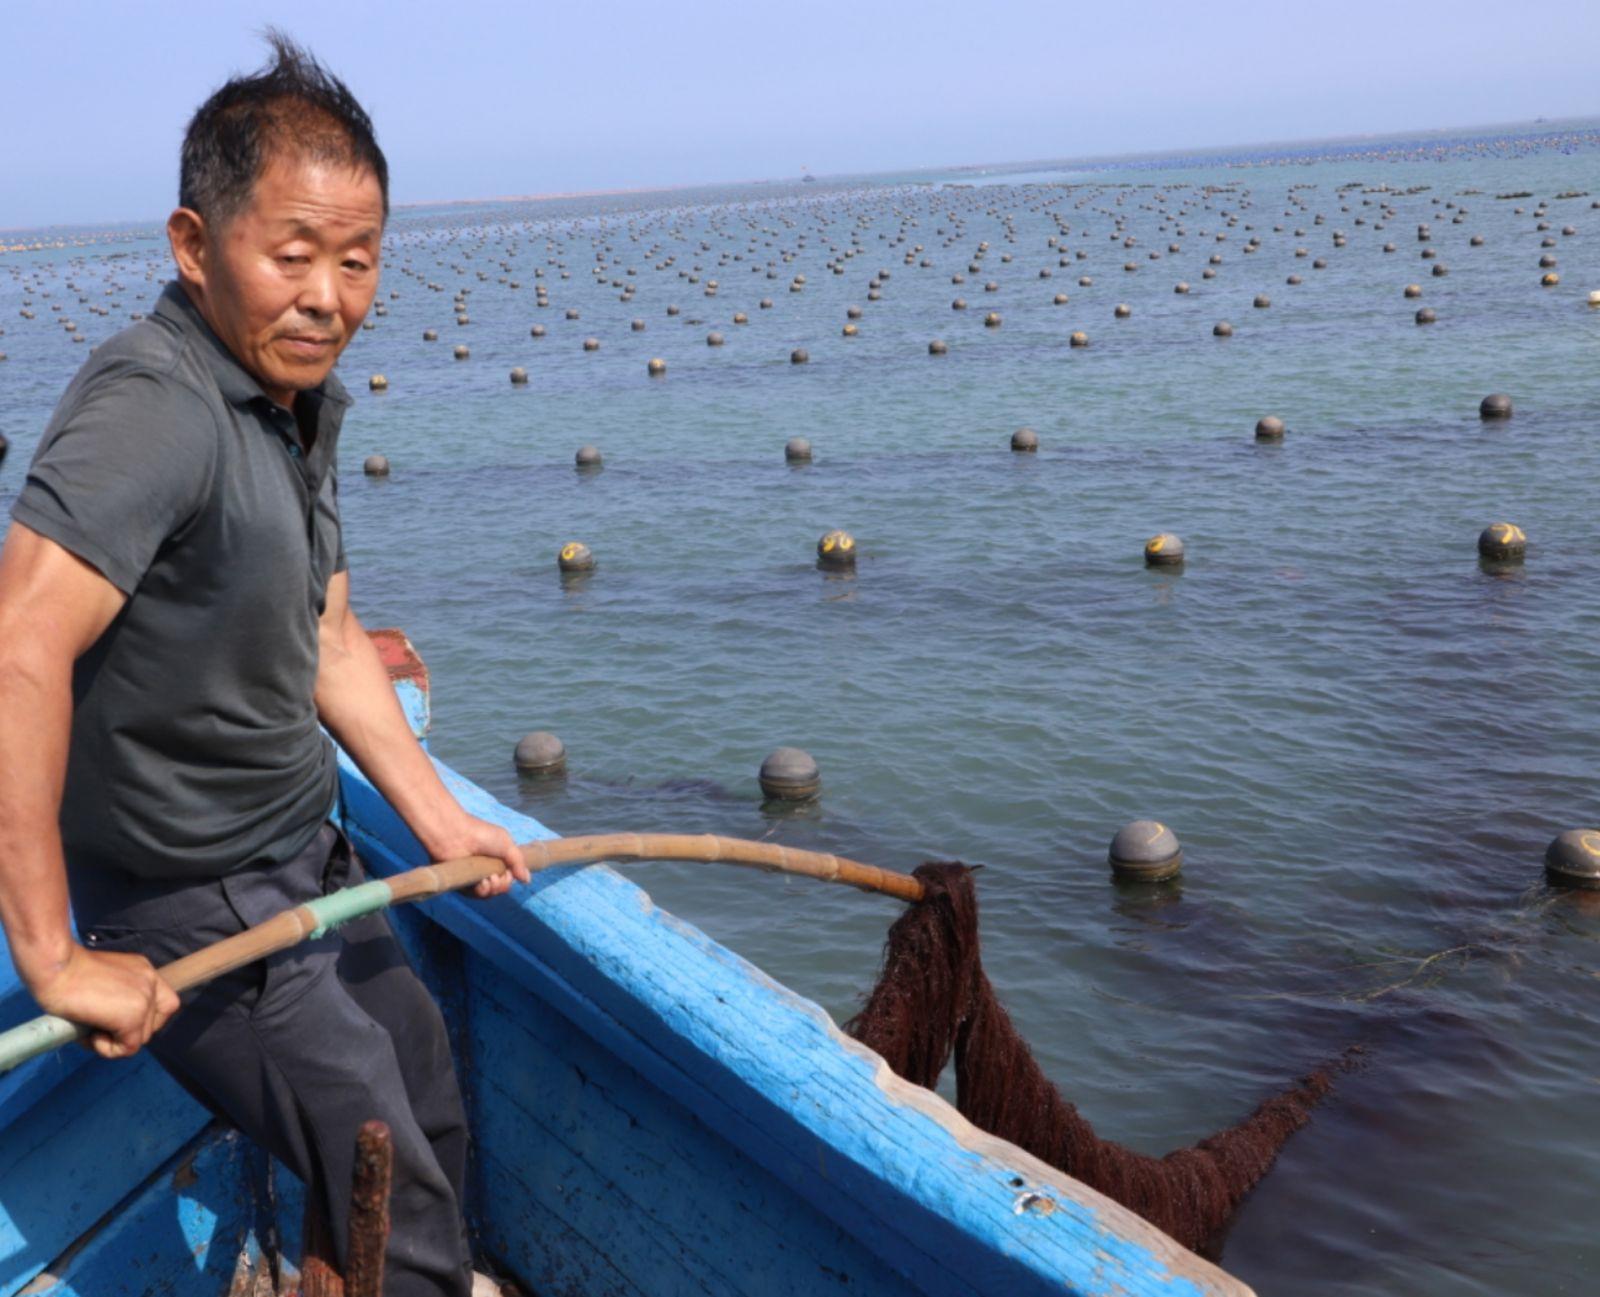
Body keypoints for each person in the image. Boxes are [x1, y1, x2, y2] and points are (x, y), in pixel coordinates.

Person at [0, 32, 526, 1297]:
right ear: (195, 244)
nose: (327, 294)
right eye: (290, 255)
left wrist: (442, 819)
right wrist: (54, 958)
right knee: (384, 1169)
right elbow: (19, 646)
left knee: (427, 1105)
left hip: (306, 850)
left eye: (356, 260)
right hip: (189, 893)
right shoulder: (157, 405)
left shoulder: (290, 401)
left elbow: (330, 639)